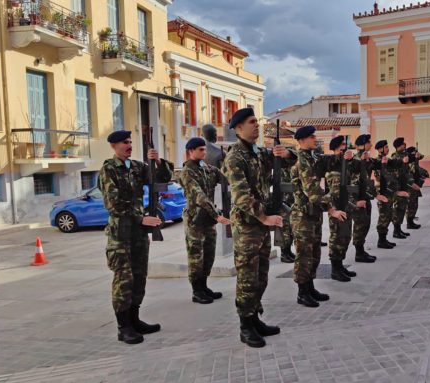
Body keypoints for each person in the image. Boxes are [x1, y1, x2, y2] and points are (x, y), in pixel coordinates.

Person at [223, 108, 294, 348]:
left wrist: (286, 153)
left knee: (261, 275)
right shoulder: (235, 157)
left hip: (261, 226)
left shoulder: (257, 153)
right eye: (252, 122)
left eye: (257, 122)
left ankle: (255, 318)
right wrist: (264, 218)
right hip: (247, 226)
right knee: (247, 278)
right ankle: (245, 326)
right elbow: (241, 196)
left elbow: (289, 163)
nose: (257, 125)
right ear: (239, 127)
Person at [99, 130, 173, 345]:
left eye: (131, 142)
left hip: (138, 235)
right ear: (114, 146)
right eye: (125, 142)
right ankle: (123, 327)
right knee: (124, 280)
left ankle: (135, 319)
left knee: (139, 277)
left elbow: (163, 178)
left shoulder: (137, 167)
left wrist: (157, 161)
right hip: (121, 235)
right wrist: (141, 219)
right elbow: (113, 204)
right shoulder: (109, 169)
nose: (129, 145)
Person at [291, 127, 349, 307]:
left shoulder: (312, 158)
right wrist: (331, 209)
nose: (315, 139)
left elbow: (330, 161)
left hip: (313, 214)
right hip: (303, 216)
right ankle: (302, 292)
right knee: (304, 255)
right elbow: (313, 192)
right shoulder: (302, 161)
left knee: (314, 254)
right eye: (311, 137)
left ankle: (310, 287)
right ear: (301, 140)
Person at [180, 137, 231, 305]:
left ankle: (204, 286)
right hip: (196, 219)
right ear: (190, 151)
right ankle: (196, 291)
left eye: (204, 149)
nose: (204, 152)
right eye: (200, 150)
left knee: (209, 255)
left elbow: (226, 179)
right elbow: (199, 196)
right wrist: (217, 215)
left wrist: (228, 163)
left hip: (208, 219)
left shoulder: (208, 169)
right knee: (196, 257)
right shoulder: (187, 172)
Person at [325, 135, 359, 279]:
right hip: (336, 207)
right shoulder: (332, 167)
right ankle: (335, 269)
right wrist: (332, 209)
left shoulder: (345, 164)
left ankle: (340, 266)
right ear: (336, 147)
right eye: (342, 145)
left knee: (345, 237)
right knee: (337, 238)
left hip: (345, 206)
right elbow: (330, 192)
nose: (345, 147)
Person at [352, 134, 383, 263]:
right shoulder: (355, 159)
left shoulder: (368, 158)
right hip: (358, 197)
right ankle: (358, 252)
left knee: (365, 224)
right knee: (360, 225)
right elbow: (353, 179)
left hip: (366, 195)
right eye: (368, 142)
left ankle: (361, 250)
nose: (371, 144)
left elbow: (379, 165)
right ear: (361, 145)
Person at [373, 140, 401, 249]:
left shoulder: (388, 160)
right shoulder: (378, 161)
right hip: (383, 192)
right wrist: (383, 164)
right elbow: (380, 176)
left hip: (390, 192)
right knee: (384, 216)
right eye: (386, 147)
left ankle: (384, 239)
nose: (387, 149)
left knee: (389, 215)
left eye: (387, 147)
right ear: (380, 149)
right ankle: (381, 241)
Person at [391, 138, 419, 237]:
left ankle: (399, 229)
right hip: (398, 186)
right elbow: (396, 172)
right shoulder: (395, 156)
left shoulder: (404, 155)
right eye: (403, 144)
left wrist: (411, 182)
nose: (405, 145)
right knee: (397, 209)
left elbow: (407, 172)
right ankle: (396, 231)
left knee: (402, 208)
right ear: (399, 145)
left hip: (404, 184)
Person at [405, 146, 425, 229]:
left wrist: (418, 155)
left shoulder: (414, 159)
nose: (416, 154)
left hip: (415, 185)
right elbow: (411, 171)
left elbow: (421, 156)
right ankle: (409, 223)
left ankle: (411, 221)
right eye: (414, 152)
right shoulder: (410, 161)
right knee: (411, 205)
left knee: (415, 204)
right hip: (411, 186)